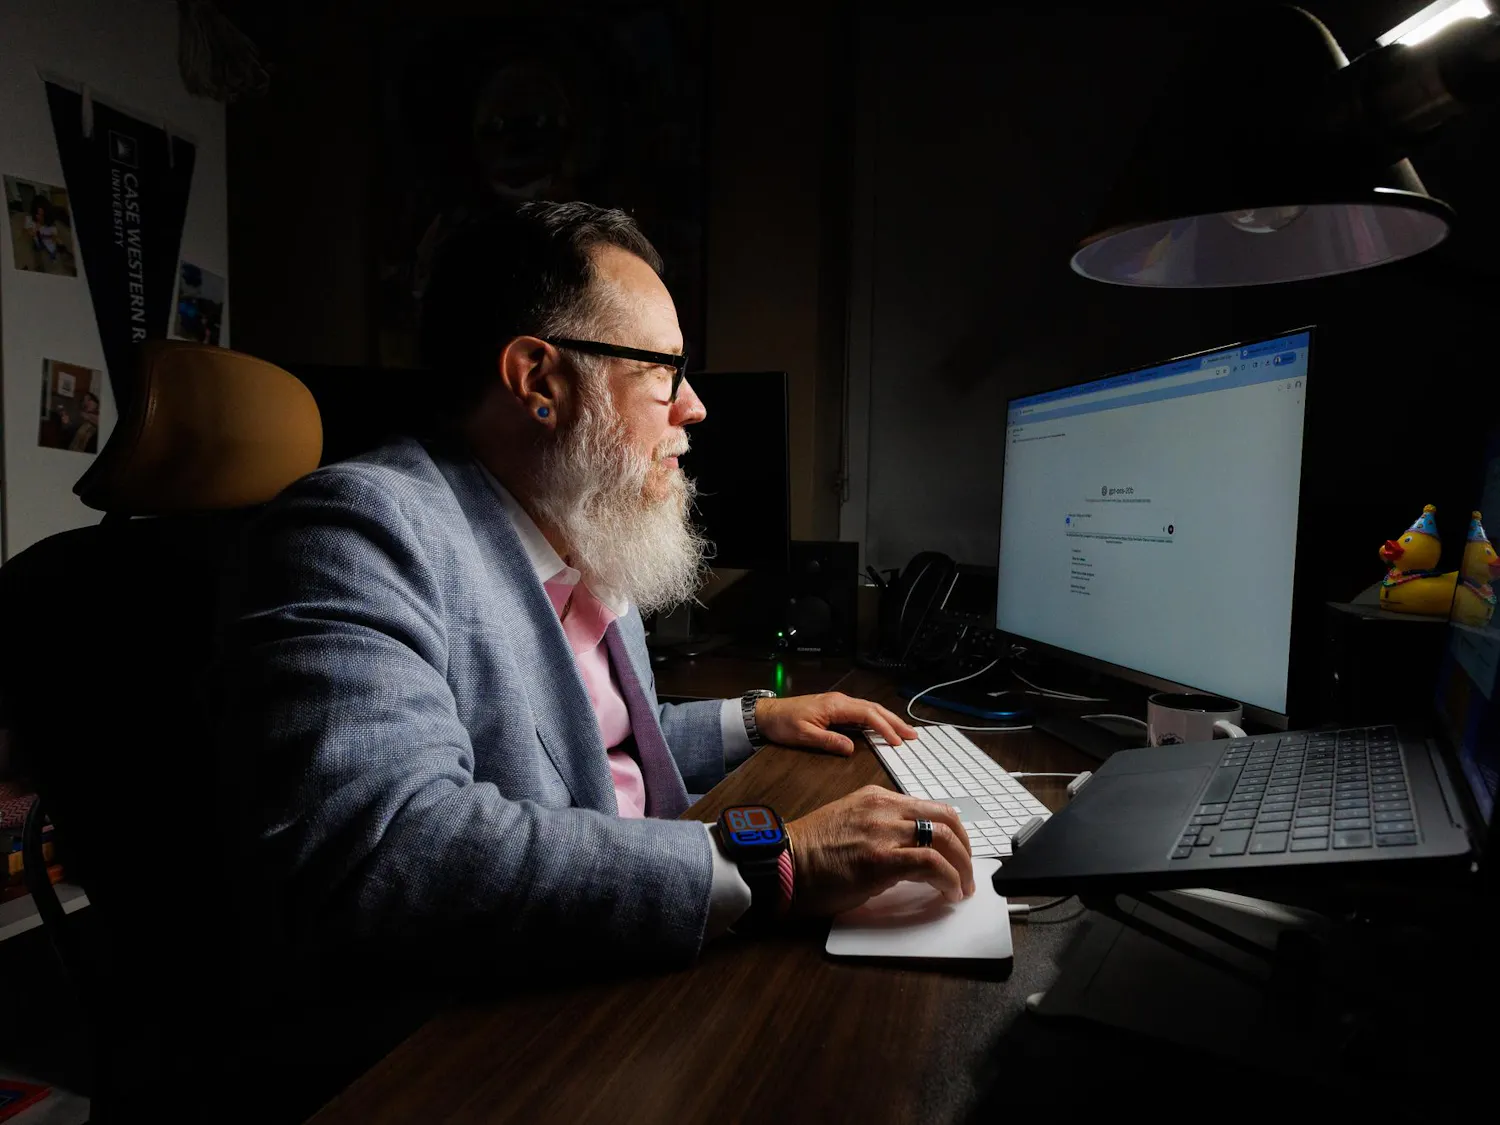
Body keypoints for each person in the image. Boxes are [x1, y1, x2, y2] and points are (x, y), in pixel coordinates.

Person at [215, 201, 974, 981]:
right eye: (661, 370)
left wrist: (754, 717)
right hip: (498, 1017)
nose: (694, 405)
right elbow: (389, 844)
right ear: (539, 379)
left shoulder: (573, 529)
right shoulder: (361, 528)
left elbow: (590, 752)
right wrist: (774, 864)